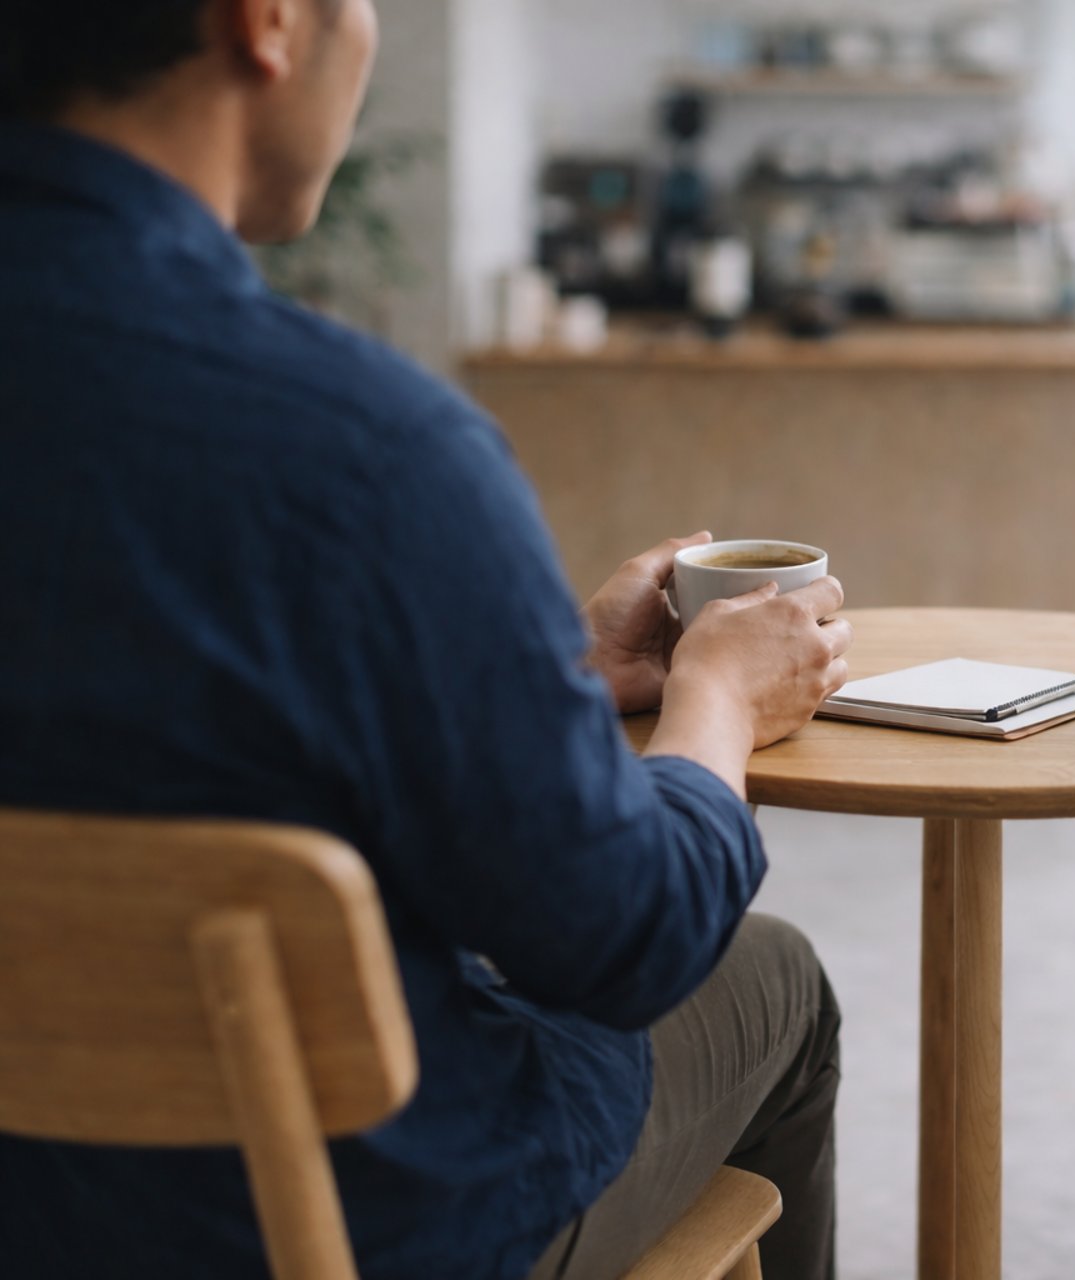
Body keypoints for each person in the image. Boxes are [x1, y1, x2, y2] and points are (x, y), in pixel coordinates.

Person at [0, 3, 850, 1278]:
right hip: (330, 1222)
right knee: (773, 976)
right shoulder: (363, 450)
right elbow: (621, 939)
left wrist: (543, 684)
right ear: (267, 23)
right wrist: (715, 700)